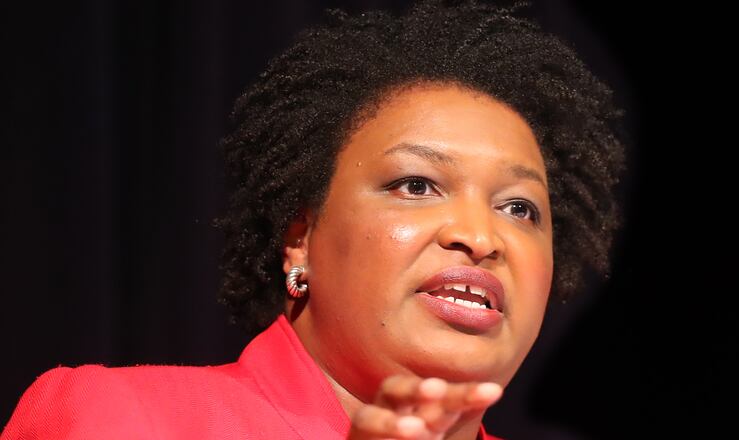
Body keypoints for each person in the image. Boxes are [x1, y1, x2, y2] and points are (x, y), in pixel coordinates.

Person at [1, 0, 627, 438]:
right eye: (416, 184)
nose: (481, 235)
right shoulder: (116, 421)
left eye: (520, 208)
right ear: (299, 238)